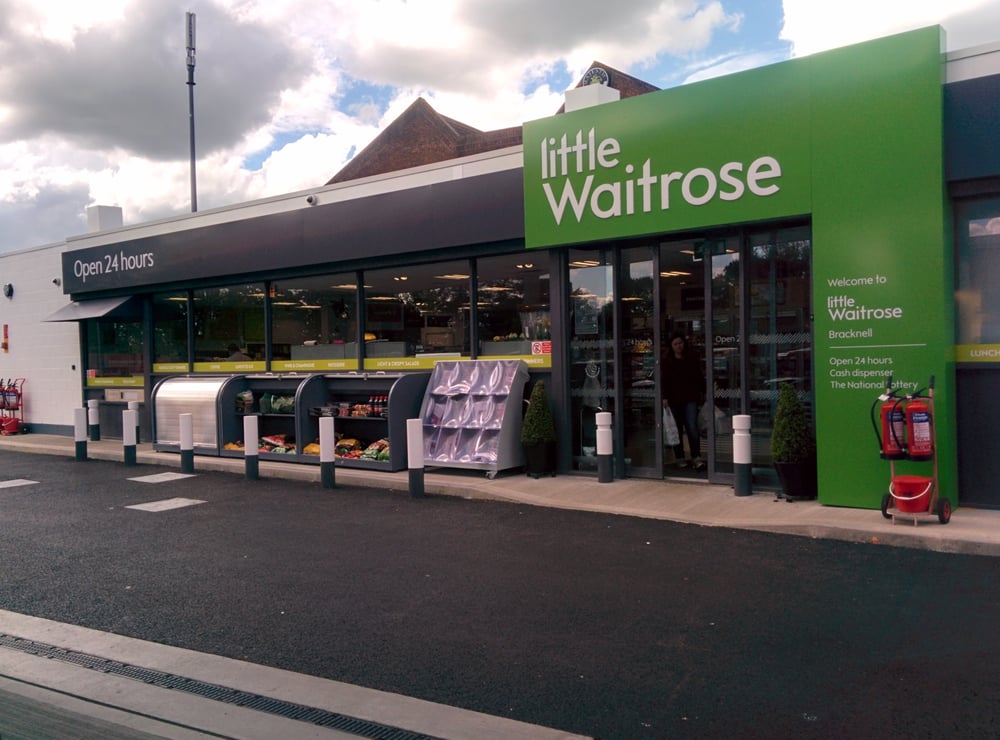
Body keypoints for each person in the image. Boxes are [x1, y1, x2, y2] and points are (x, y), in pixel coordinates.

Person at [662, 332, 705, 470]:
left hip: (690, 398)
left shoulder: (691, 359)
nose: (678, 346)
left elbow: (698, 376)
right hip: (673, 400)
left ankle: (696, 457)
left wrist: (704, 391)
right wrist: (664, 397)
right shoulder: (667, 361)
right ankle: (680, 457)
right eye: (675, 344)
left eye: (680, 343)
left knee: (692, 427)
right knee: (677, 429)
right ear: (671, 346)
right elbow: (664, 381)